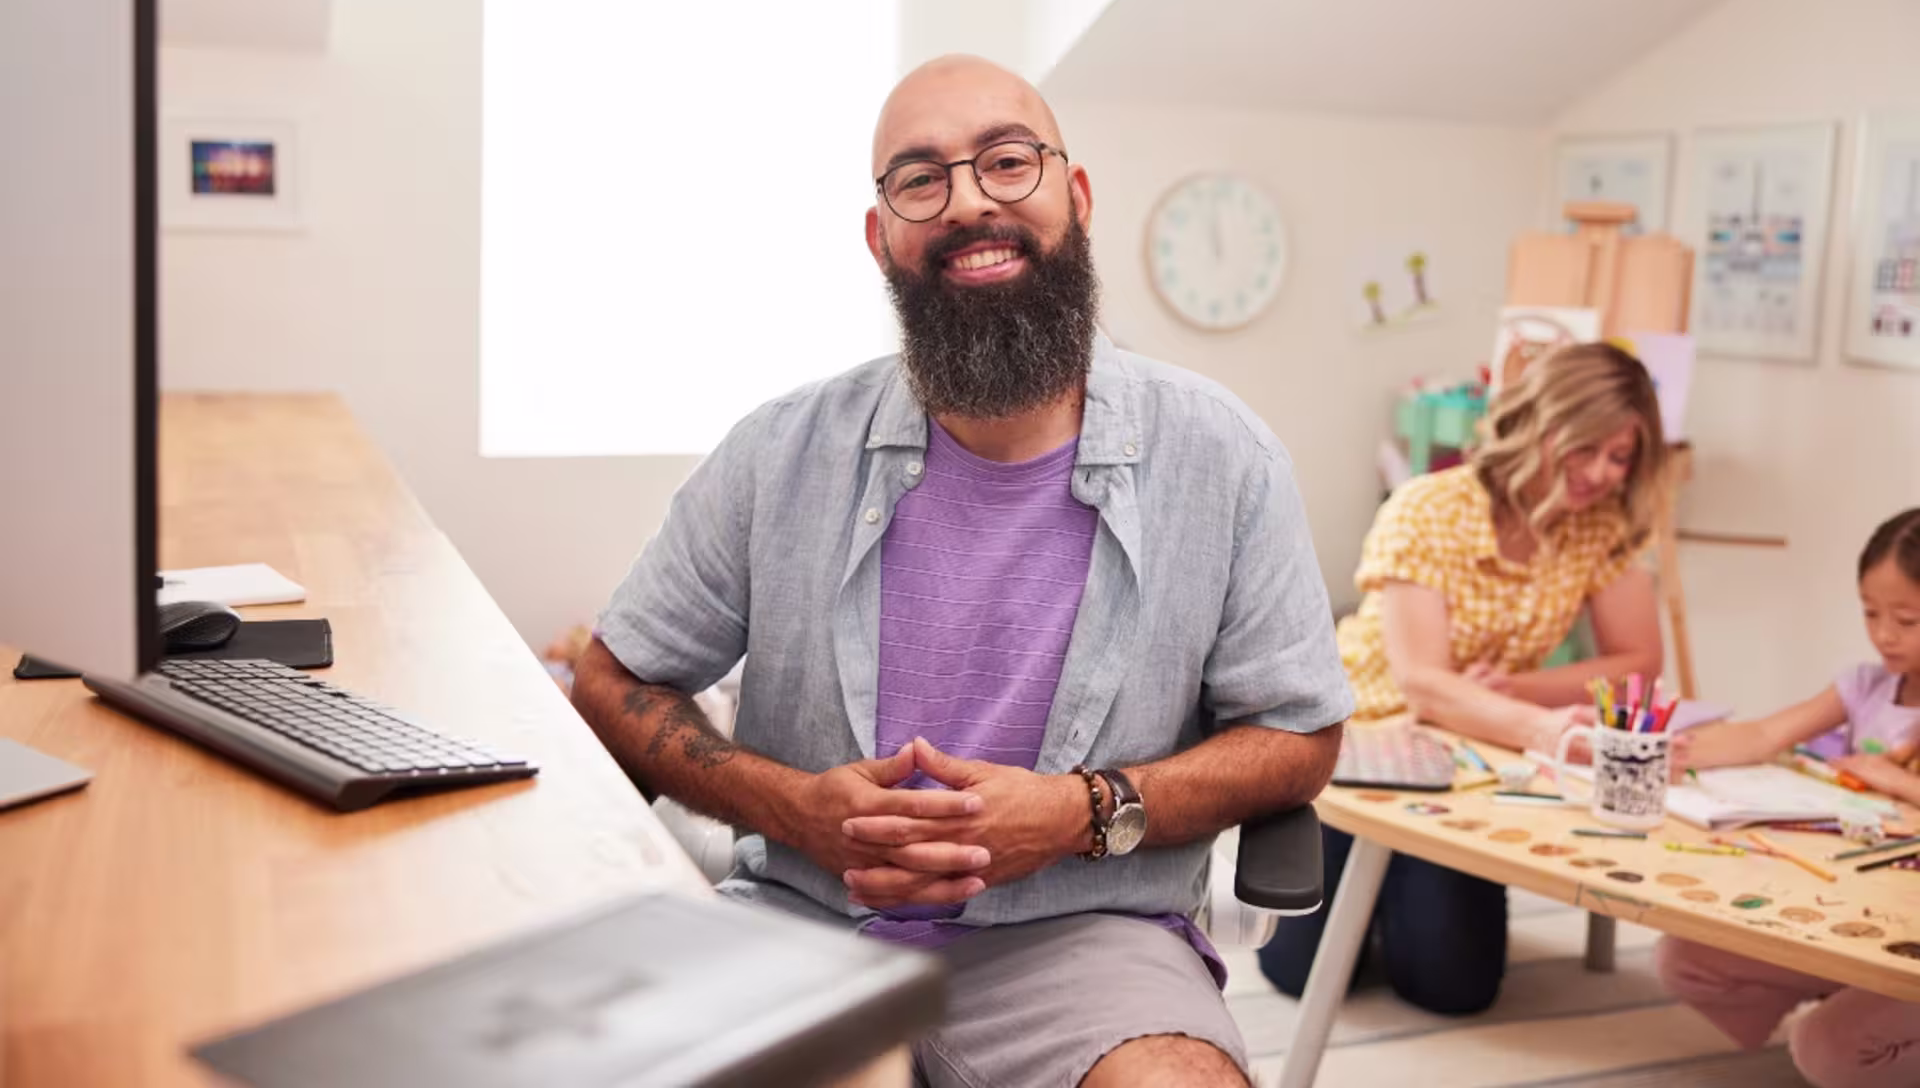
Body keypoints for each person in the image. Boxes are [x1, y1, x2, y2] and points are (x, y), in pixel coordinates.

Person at [570, 54, 1354, 1087]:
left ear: (1074, 197)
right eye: (920, 178)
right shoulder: (778, 451)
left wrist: (1083, 809)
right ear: (880, 234)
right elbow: (612, 678)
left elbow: (1300, 731)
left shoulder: (1224, 457)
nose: (970, 201)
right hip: (805, 922)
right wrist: (795, 806)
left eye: (1007, 161)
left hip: (1091, 936)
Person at [1259, 342, 1668, 1014]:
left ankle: (1395, 893)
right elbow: (1424, 684)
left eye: (1620, 457)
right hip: (1360, 744)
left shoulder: (1602, 526)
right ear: (1540, 426)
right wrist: (1542, 726)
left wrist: (1512, 692)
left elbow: (1638, 663)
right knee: (1301, 975)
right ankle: (1364, 874)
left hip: (1469, 749)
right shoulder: (1429, 508)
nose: (1600, 472)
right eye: (1584, 448)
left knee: (1456, 988)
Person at [1654, 509, 1920, 1088]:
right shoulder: (1867, 684)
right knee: (1686, 957)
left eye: (1907, 618)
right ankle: (1852, 1004)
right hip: (1855, 909)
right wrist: (1674, 748)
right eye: (1870, 613)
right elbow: (1763, 735)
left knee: (1826, 1048)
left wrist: (1895, 780)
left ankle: (1860, 1035)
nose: (1883, 635)